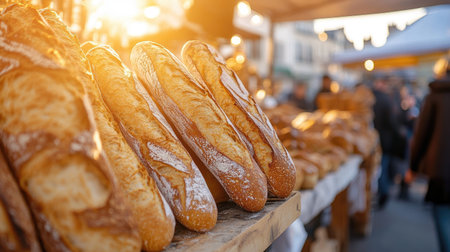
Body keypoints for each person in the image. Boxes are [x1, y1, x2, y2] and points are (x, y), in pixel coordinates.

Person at [409, 59, 450, 252]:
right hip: (441, 170)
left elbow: (422, 134)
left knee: (443, 216)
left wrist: (413, 167)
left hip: (442, 171)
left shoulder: (436, 95)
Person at [372, 76, 398, 209]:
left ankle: (382, 192)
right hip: (384, 139)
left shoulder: (373, 98)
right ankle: (384, 192)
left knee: (379, 168)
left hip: (374, 139)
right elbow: (392, 122)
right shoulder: (387, 100)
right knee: (382, 167)